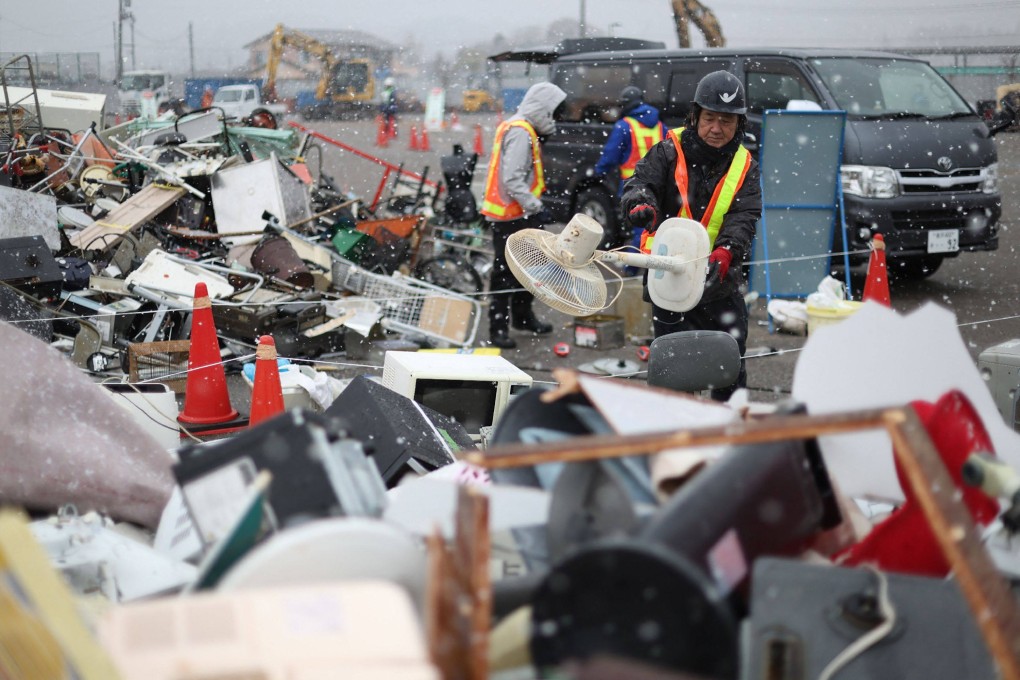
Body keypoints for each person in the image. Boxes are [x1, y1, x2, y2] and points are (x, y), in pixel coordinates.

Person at [620, 70, 762, 401]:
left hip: (720, 280)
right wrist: (642, 205)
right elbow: (640, 183)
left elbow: (745, 214)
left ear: (738, 124)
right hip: (668, 279)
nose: (716, 128)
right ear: (696, 115)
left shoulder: (745, 165)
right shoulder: (667, 150)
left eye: (727, 121)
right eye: (709, 118)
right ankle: (675, 436)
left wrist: (728, 250)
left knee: (730, 363)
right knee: (672, 372)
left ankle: (727, 430)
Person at [480, 81, 567, 350]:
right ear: (543, 109)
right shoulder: (520, 132)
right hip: (511, 216)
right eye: (553, 112)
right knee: (506, 273)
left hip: (518, 213)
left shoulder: (523, 128)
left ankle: (522, 317)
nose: (555, 119)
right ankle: (498, 328)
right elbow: (513, 179)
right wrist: (536, 207)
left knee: (528, 269)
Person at [594, 85, 667, 255]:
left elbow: (611, 155)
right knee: (656, 225)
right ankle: (654, 263)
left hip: (633, 185)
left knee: (639, 225)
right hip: (659, 183)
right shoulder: (660, 125)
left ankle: (634, 267)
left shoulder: (624, 126)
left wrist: (599, 171)